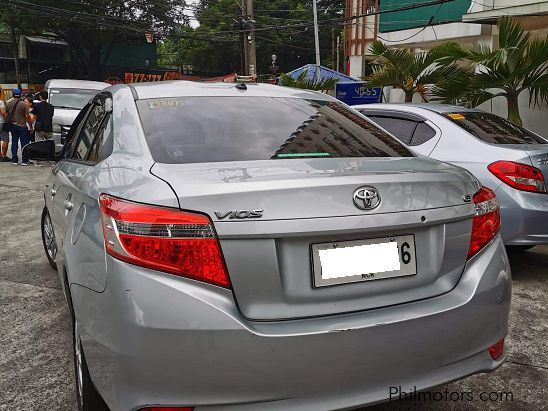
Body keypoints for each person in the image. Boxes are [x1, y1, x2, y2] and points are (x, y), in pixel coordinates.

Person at [5, 88, 33, 165]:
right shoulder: (23, 104)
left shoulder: (8, 103)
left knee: (14, 142)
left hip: (13, 126)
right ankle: (25, 160)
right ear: (20, 95)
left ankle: (14, 160)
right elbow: (27, 116)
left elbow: (6, 115)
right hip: (22, 127)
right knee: (24, 143)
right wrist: (31, 127)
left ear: (13, 94)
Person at [30, 91, 54, 166]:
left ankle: (38, 161)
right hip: (49, 127)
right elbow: (51, 116)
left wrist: (30, 124)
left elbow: (34, 117)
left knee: (38, 144)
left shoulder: (37, 106)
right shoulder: (51, 106)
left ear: (40, 97)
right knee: (50, 144)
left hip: (39, 128)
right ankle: (51, 160)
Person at [0, 88, 9, 162]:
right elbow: (3, 113)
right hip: (1, 123)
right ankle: (4, 156)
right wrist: (6, 119)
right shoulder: (1, 102)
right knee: (5, 139)